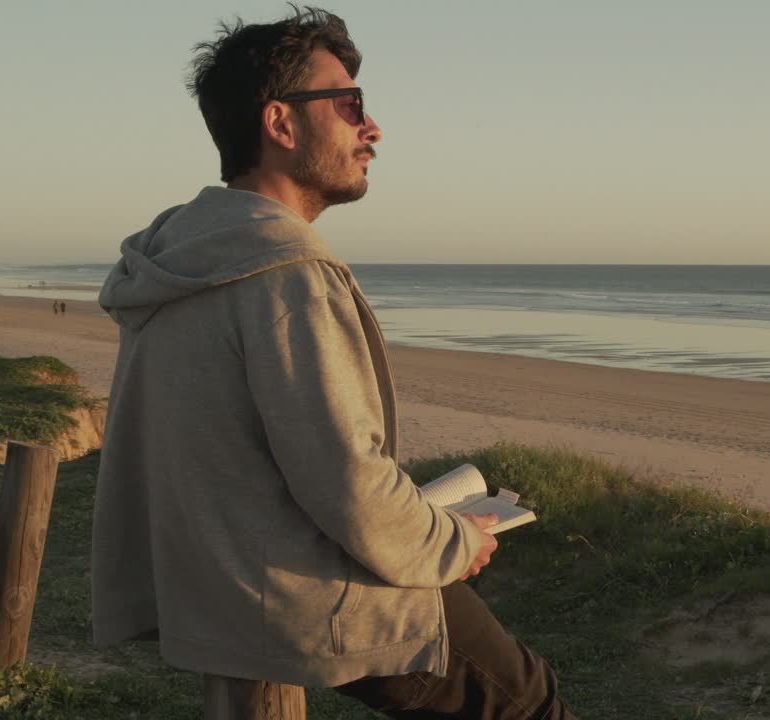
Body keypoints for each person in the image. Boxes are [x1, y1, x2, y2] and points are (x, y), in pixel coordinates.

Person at [92, 7, 578, 719]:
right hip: (291, 598)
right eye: (349, 105)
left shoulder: (178, 261)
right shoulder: (287, 274)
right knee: (526, 698)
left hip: (205, 587)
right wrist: (453, 541)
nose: (371, 128)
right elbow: (348, 485)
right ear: (281, 124)